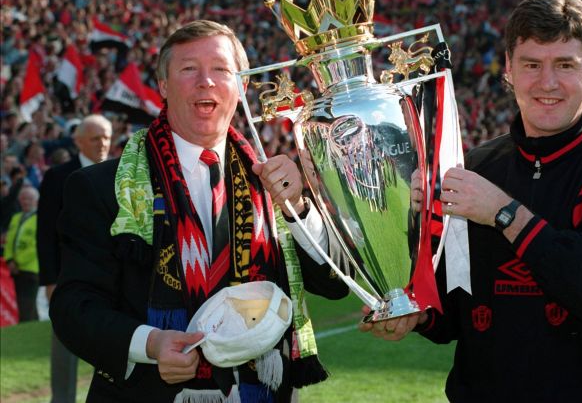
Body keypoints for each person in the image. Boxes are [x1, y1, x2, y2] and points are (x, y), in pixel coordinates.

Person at [360, 0, 582, 402]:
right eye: (531, 64)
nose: (547, 83)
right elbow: (455, 311)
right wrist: (417, 312)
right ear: (508, 69)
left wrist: (504, 213)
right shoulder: (476, 166)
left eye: (565, 64)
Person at [49, 20, 348, 402]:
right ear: (163, 86)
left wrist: (299, 207)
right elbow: (74, 306)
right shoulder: (102, 186)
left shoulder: (273, 180)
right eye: (189, 69)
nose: (206, 81)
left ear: (240, 87)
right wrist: (150, 343)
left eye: (221, 69)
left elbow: (335, 284)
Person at [37, 114, 112, 403]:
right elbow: (46, 232)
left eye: (106, 137)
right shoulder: (57, 177)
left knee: (112, 347)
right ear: (78, 141)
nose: (102, 143)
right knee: (65, 347)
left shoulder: (124, 172)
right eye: (95, 138)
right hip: (68, 277)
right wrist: (50, 280)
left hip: (112, 276)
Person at [4, 185, 40, 322]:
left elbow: (36, 246)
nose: (26, 201)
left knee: (26, 304)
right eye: (23, 198)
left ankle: (26, 329)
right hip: (16, 269)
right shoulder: (16, 217)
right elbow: (9, 241)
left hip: (31, 268)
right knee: (25, 303)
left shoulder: (40, 219)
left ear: (36, 200)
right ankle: (34, 328)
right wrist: (9, 260)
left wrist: (18, 262)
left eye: (29, 199)